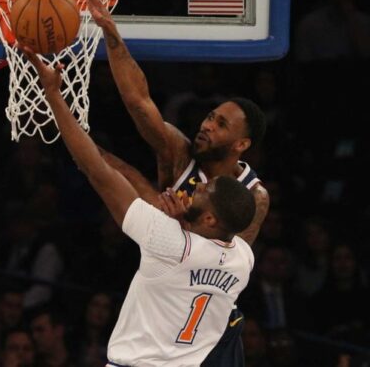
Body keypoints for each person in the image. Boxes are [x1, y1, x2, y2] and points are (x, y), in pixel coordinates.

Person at [75, 0, 270, 365]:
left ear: (241, 144)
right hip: (166, 299)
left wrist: (176, 224)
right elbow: (138, 101)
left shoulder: (255, 196)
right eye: (210, 116)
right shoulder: (180, 153)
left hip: (211, 326)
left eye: (219, 125)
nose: (206, 125)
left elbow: (218, 262)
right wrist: (111, 34)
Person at [20, 45, 256, 365]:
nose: (195, 187)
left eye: (203, 190)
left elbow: (96, 169)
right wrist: (184, 224)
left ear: (211, 219)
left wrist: (53, 94)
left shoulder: (169, 241)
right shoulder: (242, 261)